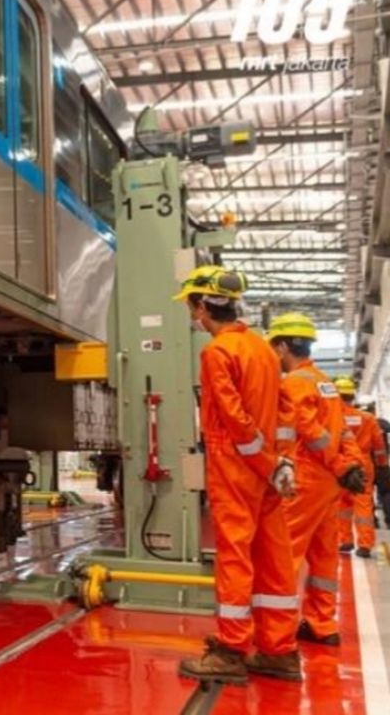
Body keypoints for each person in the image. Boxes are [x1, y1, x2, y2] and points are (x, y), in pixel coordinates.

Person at [174, 267, 301, 685]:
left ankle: (231, 650)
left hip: (238, 469)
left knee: (235, 557)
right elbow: (283, 415)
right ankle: (279, 652)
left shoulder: (217, 353)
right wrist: (280, 462)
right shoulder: (264, 350)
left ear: (200, 305)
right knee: (273, 557)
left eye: (192, 306)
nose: (192, 315)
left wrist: (263, 462)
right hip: (267, 473)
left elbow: (235, 419)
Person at [267, 313, 365, 646]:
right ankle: (323, 624)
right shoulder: (325, 382)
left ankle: (277, 632)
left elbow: (311, 432)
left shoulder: (294, 382)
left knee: (285, 553)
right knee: (324, 555)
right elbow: (342, 432)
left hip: (306, 479)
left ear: (282, 347)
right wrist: (349, 465)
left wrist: (339, 463)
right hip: (328, 484)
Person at [333, 378, 387, 558]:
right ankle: (365, 544)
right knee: (364, 504)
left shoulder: (333, 417)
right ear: (352, 395)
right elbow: (379, 446)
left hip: (341, 462)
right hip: (364, 462)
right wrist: (382, 465)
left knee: (343, 504)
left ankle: (345, 541)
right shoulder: (368, 418)